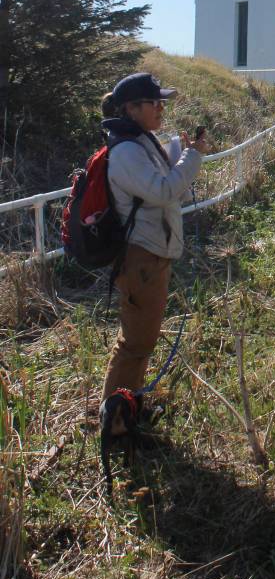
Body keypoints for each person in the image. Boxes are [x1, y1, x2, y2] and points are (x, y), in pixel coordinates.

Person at [99, 72, 209, 432]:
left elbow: (158, 180)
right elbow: (164, 191)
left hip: (150, 254)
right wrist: (192, 157)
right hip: (142, 257)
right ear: (132, 109)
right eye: (155, 102)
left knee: (140, 339)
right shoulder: (128, 150)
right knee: (135, 342)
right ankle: (116, 423)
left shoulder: (139, 141)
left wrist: (180, 150)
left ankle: (128, 408)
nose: (161, 108)